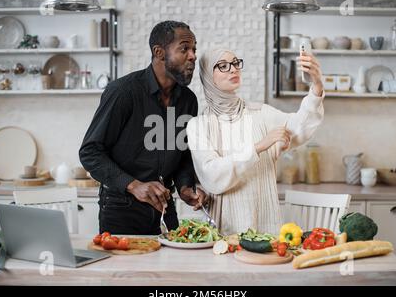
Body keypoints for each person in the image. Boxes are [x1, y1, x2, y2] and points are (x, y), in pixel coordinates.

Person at [79, 21, 207, 235]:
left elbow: (183, 154)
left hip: (166, 209)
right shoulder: (123, 92)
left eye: (194, 49)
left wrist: (185, 186)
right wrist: (134, 185)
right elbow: (90, 152)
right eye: (184, 49)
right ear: (159, 52)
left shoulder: (188, 101)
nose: (193, 56)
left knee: (169, 269)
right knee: (125, 269)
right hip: (121, 209)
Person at [186, 48, 325, 235]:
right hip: (223, 232)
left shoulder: (261, 114)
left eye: (235, 63)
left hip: (265, 226)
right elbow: (212, 174)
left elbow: (300, 127)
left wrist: (316, 86)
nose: (233, 69)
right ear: (207, 75)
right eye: (223, 66)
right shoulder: (198, 125)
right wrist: (260, 146)